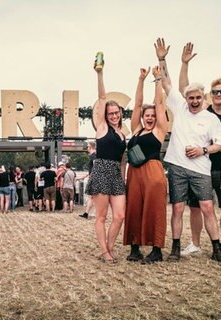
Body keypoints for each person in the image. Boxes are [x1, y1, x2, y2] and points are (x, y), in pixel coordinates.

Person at [155, 37, 221, 262]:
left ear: (203, 98)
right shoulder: (179, 107)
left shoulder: (210, 119)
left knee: (207, 206)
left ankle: (216, 249)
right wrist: (162, 58)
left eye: (198, 97)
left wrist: (203, 150)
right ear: (185, 98)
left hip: (201, 169)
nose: (194, 101)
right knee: (177, 208)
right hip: (177, 166)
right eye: (191, 97)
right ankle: (175, 248)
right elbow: (166, 82)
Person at [178, 42, 221, 258]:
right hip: (200, 167)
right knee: (195, 206)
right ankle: (194, 243)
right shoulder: (204, 111)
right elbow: (185, 89)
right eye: (215, 91)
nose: (219, 94)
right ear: (209, 95)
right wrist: (184, 64)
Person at [124, 64, 168, 264]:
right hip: (134, 172)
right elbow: (137, 104)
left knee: (154, 208)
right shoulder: (136, 130)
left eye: (152, 116)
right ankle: (135, 247)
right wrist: (141, 80)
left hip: (153, 171)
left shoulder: (159, 130)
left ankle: (156, 249)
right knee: (133, 207)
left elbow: (159, 103)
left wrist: (158, 80)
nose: (149, 118)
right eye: (146, 116)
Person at [85, 54, 126, 263]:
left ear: (120, 113)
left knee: (119, 216)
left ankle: (108, 247)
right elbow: (102, 98)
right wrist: (100, 74)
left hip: (117, 175)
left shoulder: (122, 133)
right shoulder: (102, 128)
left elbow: (122, 159)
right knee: (101, 216)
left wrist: (123, 176)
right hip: (101, 172)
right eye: (110, 113)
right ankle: (105, 251)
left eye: (116, 112)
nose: (113, 115)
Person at [78, 141, 96, 219]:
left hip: (93, 179)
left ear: (90, 147)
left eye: (88, 147)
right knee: (92, 197)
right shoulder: (94, 155)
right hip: (94, 178)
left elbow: (95, 167)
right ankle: (88, 213)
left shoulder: (93, 156)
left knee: (91, 196)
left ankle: (88, 213)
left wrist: (91, 176)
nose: (87, 148)